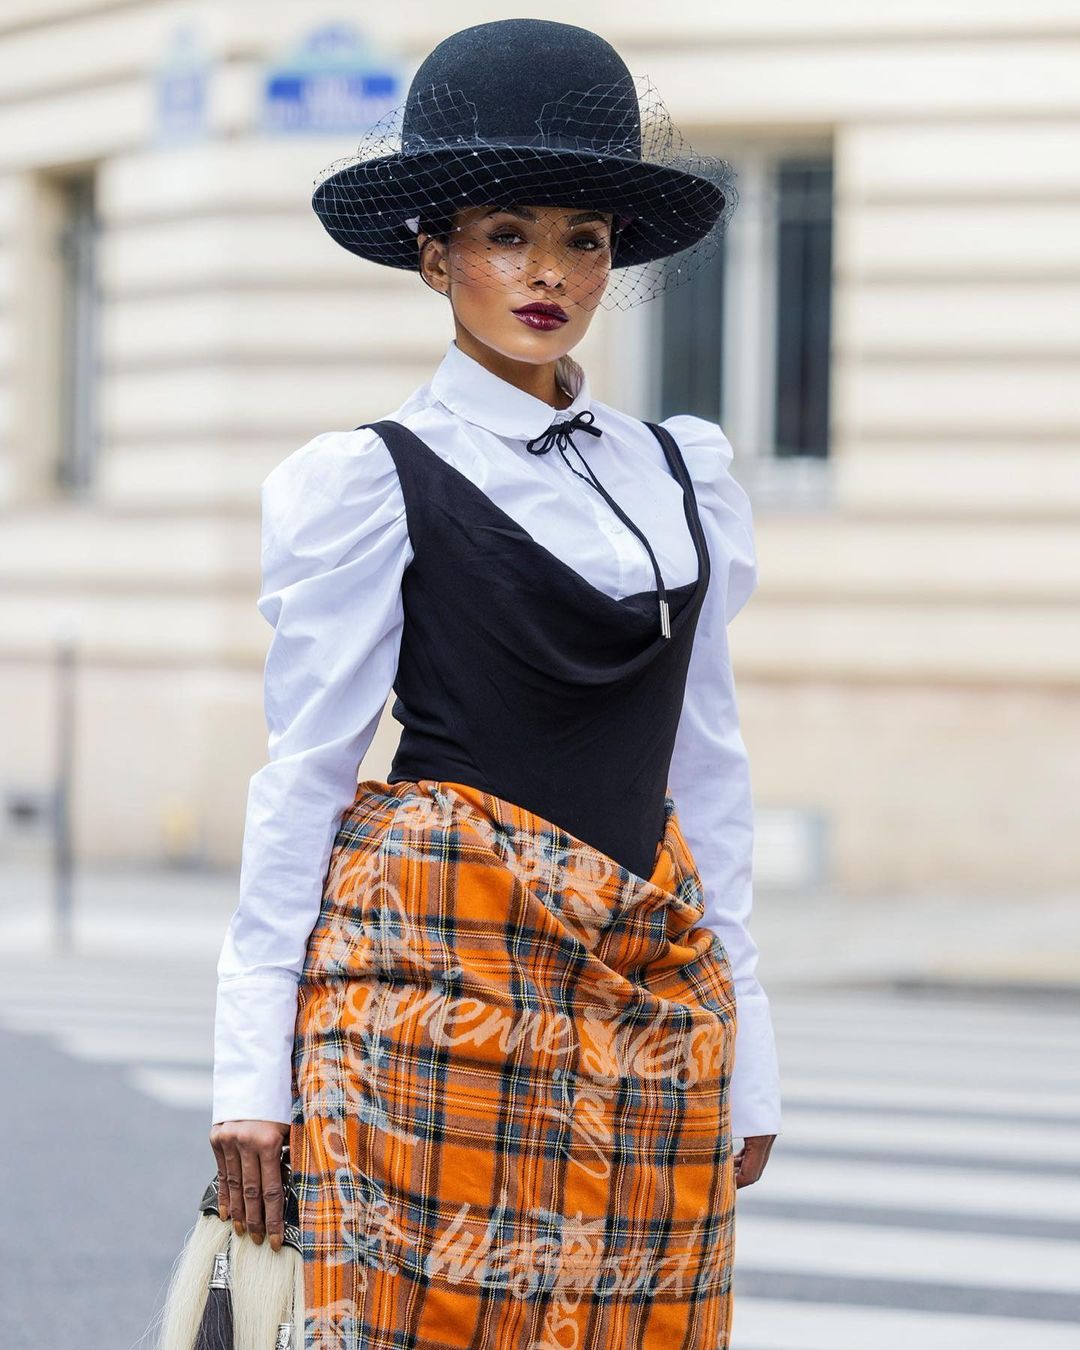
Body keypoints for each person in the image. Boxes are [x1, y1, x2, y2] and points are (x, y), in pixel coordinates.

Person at [209, 18, 780, 1348]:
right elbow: (302, 776)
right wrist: (250, 1073)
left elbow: (710, 765)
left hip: (648, 996)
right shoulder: (371, 478)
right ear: (435, 256)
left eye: (583, 237)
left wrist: (752, 1040)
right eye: (507, 233)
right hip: (432, 994)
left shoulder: (682, 471)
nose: (549, 271)